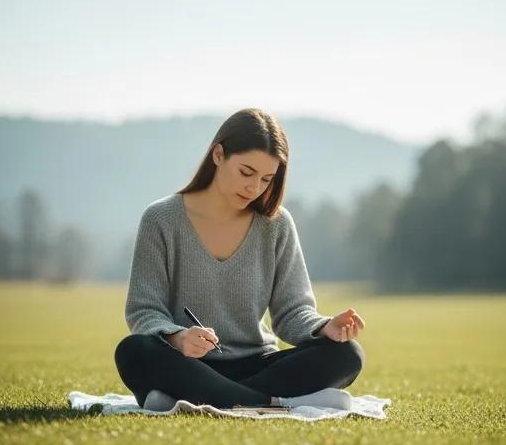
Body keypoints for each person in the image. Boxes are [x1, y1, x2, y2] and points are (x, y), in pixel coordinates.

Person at [114, 108, 365, 412]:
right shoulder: (161, 219)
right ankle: (270, 403)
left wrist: (325, 327)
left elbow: (292, 312)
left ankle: (192, 398)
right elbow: (144, 311)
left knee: (348, 354)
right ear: (218, 155)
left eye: (266, 179)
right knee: (134, 351)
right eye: (246, 172)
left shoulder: (276, 225)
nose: (254, 188)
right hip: (188, 363)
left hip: (259, 366)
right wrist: (178, 338)